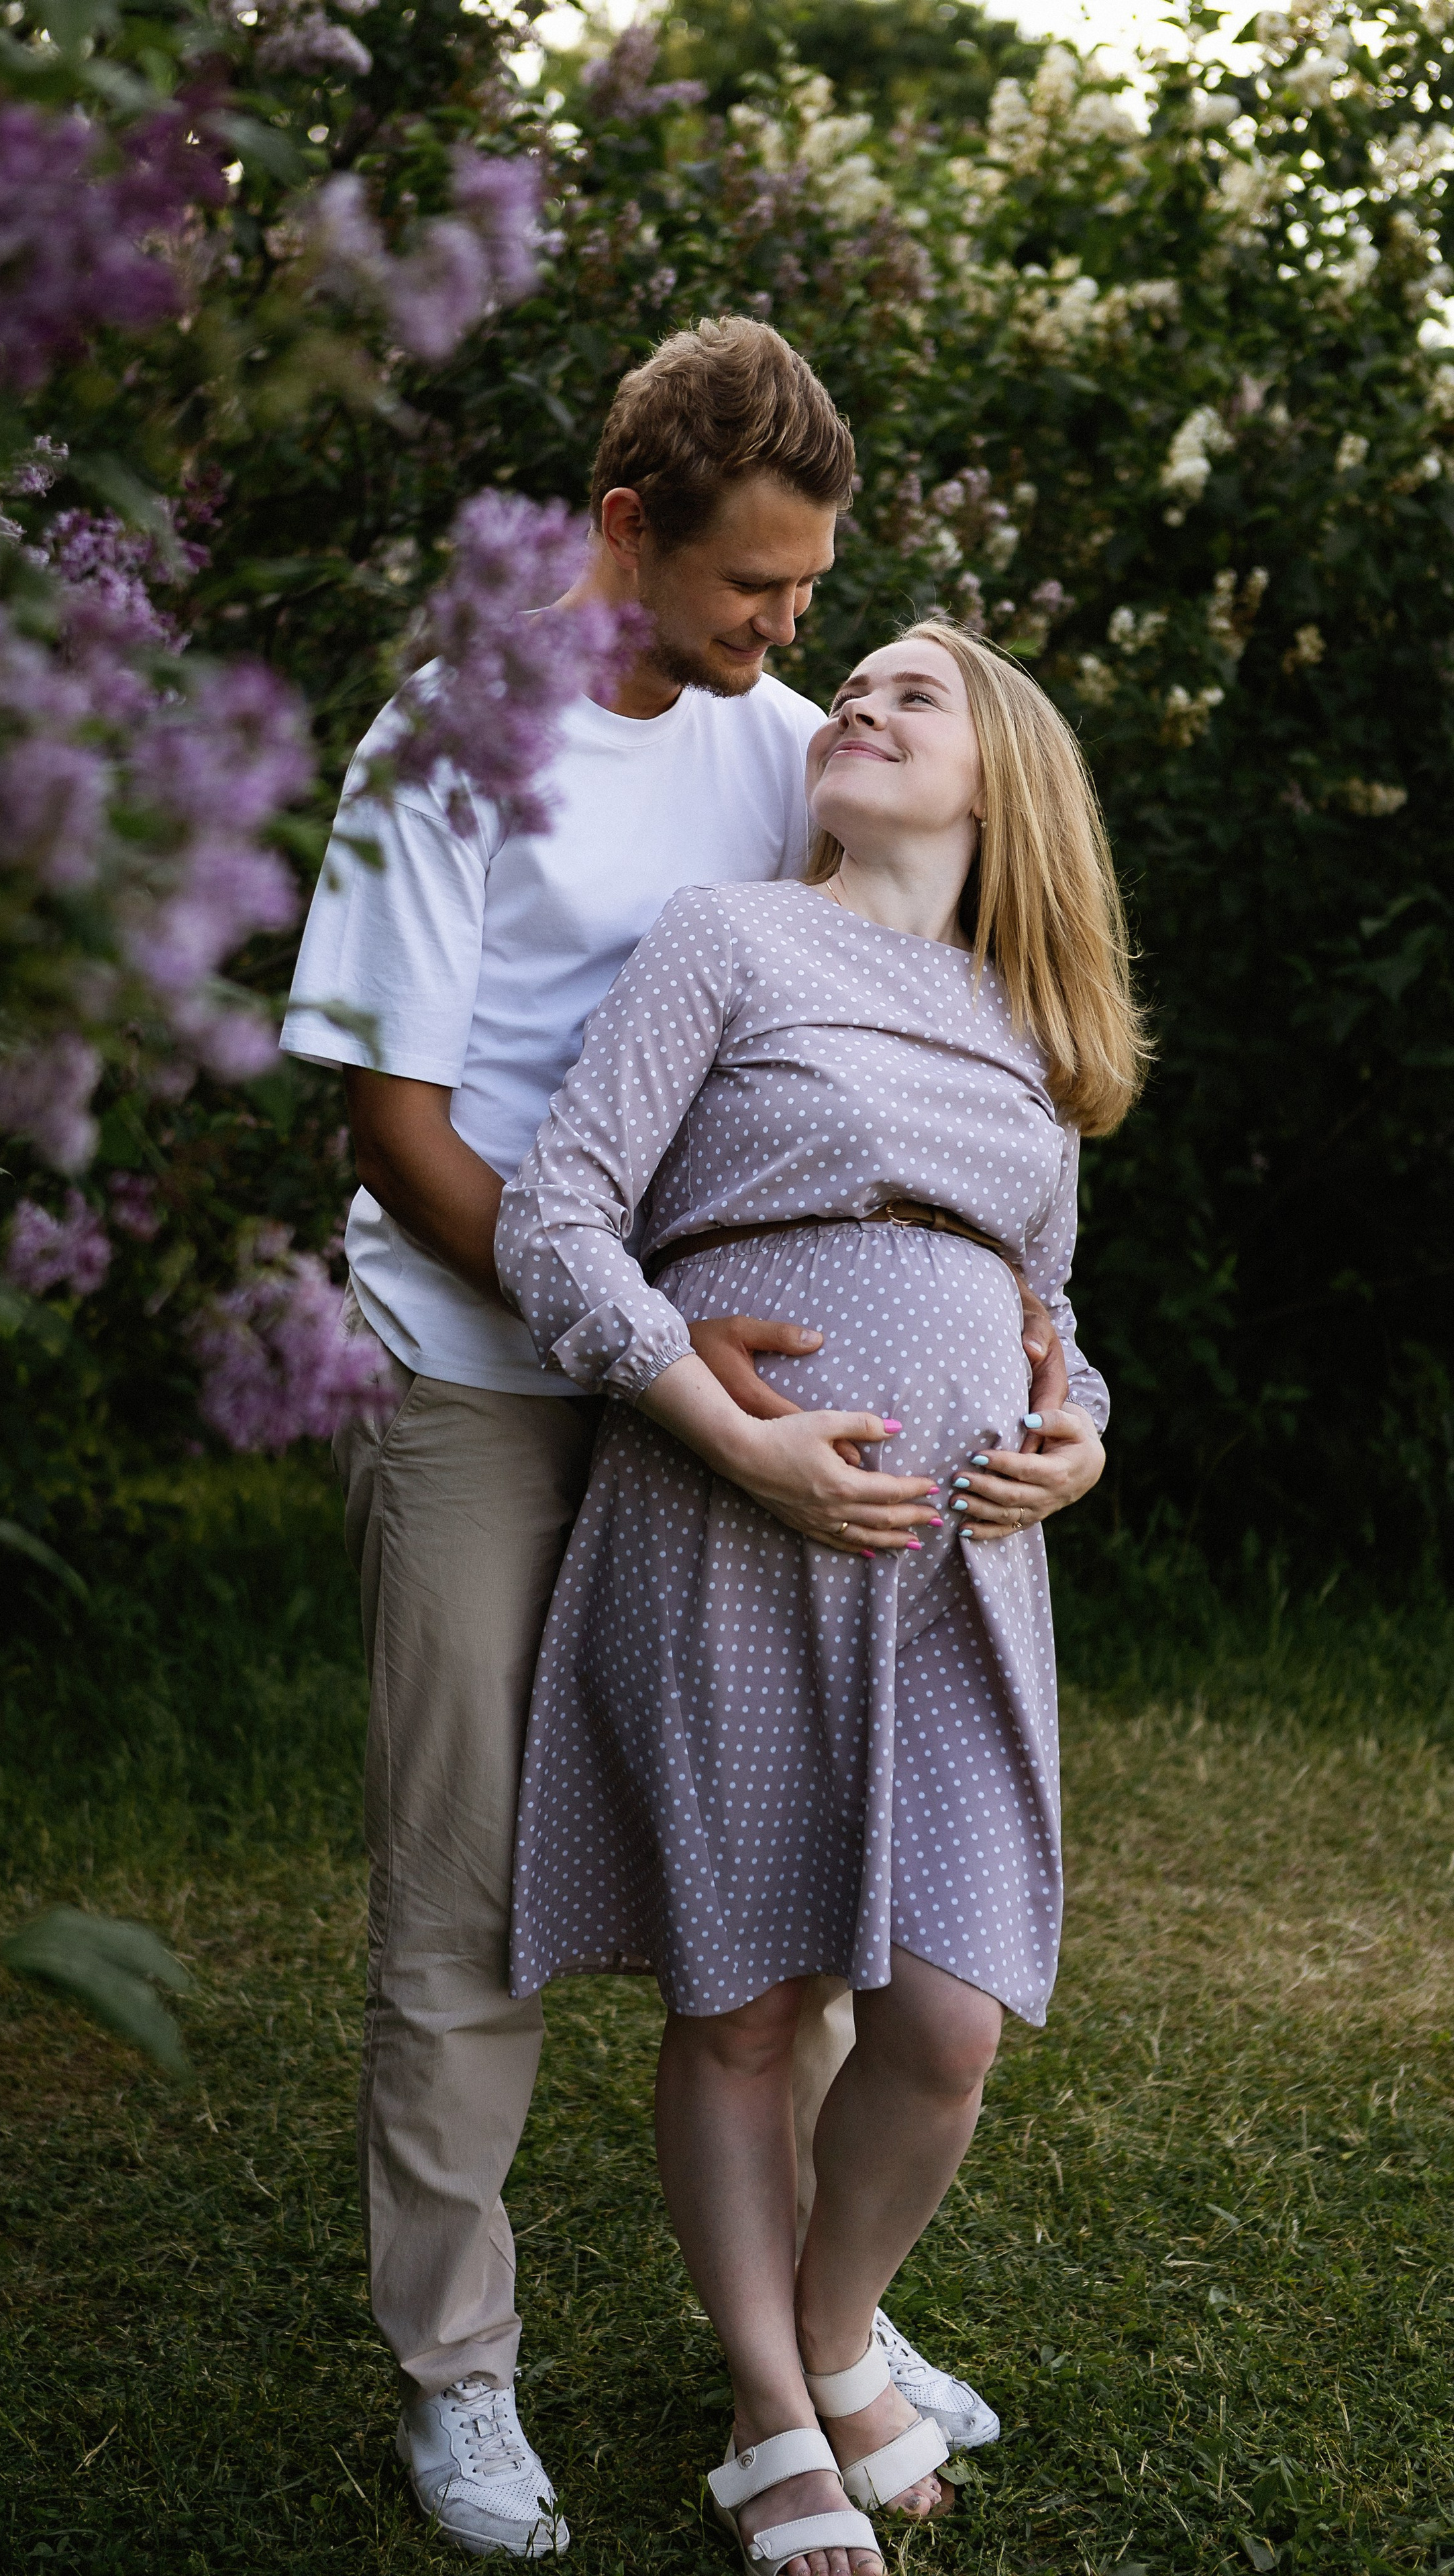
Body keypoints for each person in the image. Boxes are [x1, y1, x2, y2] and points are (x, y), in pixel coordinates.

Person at [281, 323, 1044, 2557]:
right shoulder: (451, 744)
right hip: (488, 1368)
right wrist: (646, 1348)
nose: (788, 636)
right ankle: (459, 2371)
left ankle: (821, 2332)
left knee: (794, 1861)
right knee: (468, 1900)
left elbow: (925, 1029)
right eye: (752, 591)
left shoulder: (790, 749)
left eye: (814, 597)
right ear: (625, 531)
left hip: (739, 1404)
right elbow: (400, 1123)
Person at [495, 617, 1145, 2576]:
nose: (855, 701)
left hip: (960, 1569)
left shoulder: (1035, 1042)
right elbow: (557, 1213)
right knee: (751, 2003)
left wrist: (1084, 1438)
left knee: (945, 2023)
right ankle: (778, 2424)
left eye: (909, 690)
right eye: (845, 685)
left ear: (999, 775)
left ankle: (836, 2331)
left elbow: (1056, 1329)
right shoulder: (728, 939)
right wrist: (724, 1424)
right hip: (733, 1525)